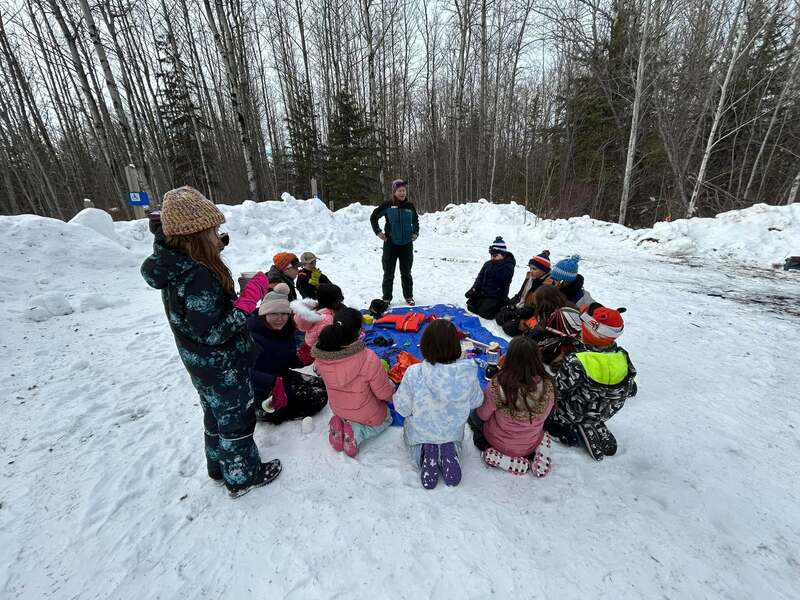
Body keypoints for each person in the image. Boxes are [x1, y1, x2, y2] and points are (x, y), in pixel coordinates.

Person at [140, 186, 281, 498]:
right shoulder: (197, 276)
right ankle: (243, 476)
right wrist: (248, 301)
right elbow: (215, 330)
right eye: (214, 230)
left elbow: (200, 322)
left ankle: (218, 466)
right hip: (222, 365)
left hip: (199, 363)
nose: (219, 236)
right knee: (237, 420)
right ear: (195, 235)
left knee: (215, 414)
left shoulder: (175, 265)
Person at [392, 319, 484, 489]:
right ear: (456, 347)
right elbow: (476, 401)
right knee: (450, 437)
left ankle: (425, 453)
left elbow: (402, 408)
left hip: (420, 434)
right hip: (452, 433)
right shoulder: (467, 373)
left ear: (425, 346)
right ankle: (449, 449)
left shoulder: (414, 373)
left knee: (413, 438)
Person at [545, 304, 638, 461]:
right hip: (606, 410)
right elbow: (629, 389)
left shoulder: (578, 361)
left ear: (594, 332)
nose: (581, 330)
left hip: (576, 411)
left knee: (547, 409)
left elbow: (558, 392)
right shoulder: (622, 356)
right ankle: (594, 421)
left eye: (584, 327)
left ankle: (566, 430)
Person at [312, 307, 395, 458]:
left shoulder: (321, 358)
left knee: (349, 409)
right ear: (359, 332)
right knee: (387, 418)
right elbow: (383, 392)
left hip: (338, 408)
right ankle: (357, 433)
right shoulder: (368, 358)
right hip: (366, 413)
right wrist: (393, 391)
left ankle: (341, 422)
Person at [469, 337, 556, 477]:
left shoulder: (499, 384)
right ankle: (537, 452)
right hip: (529, 444)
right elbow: (546, 416)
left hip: (496, 442)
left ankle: (493, 453)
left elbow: (482, 415)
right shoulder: (548, 386)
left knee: (474, 417)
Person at [247, 283, 327, 424]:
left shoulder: (284, 330)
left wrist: (302, 357)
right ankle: (262, 411)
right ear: (264, 314)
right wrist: (271, 382)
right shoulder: (250, 336)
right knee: (317, 399)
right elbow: (241, 373)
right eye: (274, 314)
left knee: (320, 386)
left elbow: (286, 359)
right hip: (259, 389)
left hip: (280, 376)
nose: (280, 318)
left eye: (284, 313)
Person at [370, 179, 419, 306]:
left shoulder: (410, 206)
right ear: (394, 192)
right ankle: (386, 298)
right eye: (399, 191)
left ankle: (408, 296)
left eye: (404, 190)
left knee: (406, 273)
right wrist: (378, 232)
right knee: (388, 273)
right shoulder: (387, 205)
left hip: (407, 245)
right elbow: (373, 217)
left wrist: (415, 233)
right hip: (391, 244)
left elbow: (416, 221)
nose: (402, 193)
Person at [522, 284, 582, 367]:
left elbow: (544, 333)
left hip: (572, 345)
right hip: (570, 339)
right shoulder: (565, 304)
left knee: (536, 352)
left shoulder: (558, 315)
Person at [495, 251, 551, 336]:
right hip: (521, 307)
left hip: (530, 314)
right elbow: (520, 294)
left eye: (534, 269)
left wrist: (513, 314)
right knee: (500, 315)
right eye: (530, 268)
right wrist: (510, 305)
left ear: (543, 271)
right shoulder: (530, 277)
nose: (531, 271)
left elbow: (532, 309)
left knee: (508, 327)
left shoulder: (545, 286)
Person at [465, 236, 517, 320]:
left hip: (496, 296)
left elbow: (504, 279)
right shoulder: (488, 264)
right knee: (471, 306)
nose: (492, 257)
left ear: (502, 255)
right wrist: (474, 289)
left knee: (485, 314)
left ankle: (503, 304)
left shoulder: (508, 266)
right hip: (485, 292)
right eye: (491, 255)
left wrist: (498, 264)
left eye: (495, 255)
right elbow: (480, 278)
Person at [291, 283, 345, 350]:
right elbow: (330, 342)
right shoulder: (327, 320)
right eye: (339, 299)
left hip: (310, 345)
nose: (341, 301)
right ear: (333, 301)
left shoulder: (316, 310)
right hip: (319, 351)